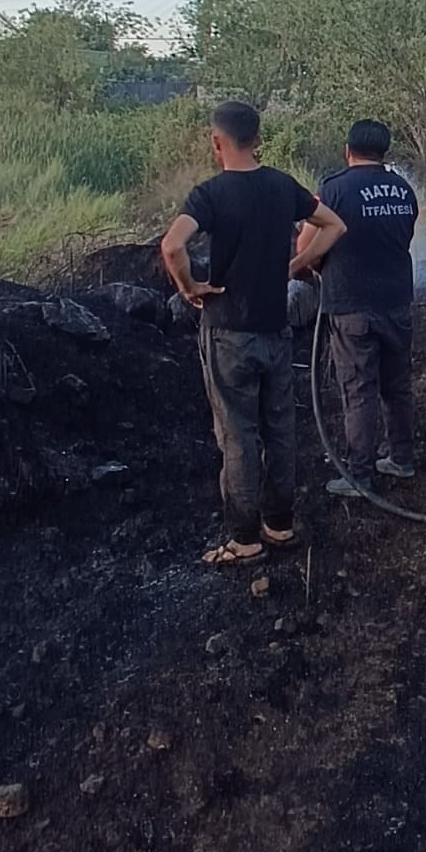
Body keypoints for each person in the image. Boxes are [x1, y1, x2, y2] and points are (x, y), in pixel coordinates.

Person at [161, 100, 344, 564]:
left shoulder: (210, 194)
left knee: (239, 436)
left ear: (216, 142)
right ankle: (280, 526)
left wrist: (189, 286)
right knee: (280, 428)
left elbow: (172, 244)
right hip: (275, 329)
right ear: (258, 139)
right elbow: (333, 225)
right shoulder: (282, 186)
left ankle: (244, 539)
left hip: (226, 331)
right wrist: (297, 265)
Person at [295, 118, 419, 497]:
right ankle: (402, 458)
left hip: (352, 306)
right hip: (396, 302)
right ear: (385, 152)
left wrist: (313, 267)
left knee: (359, 390)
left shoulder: (334, 190)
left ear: (347, 150)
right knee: (397, 386)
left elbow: (306, 246)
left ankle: (359, 477)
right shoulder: (402, 189)